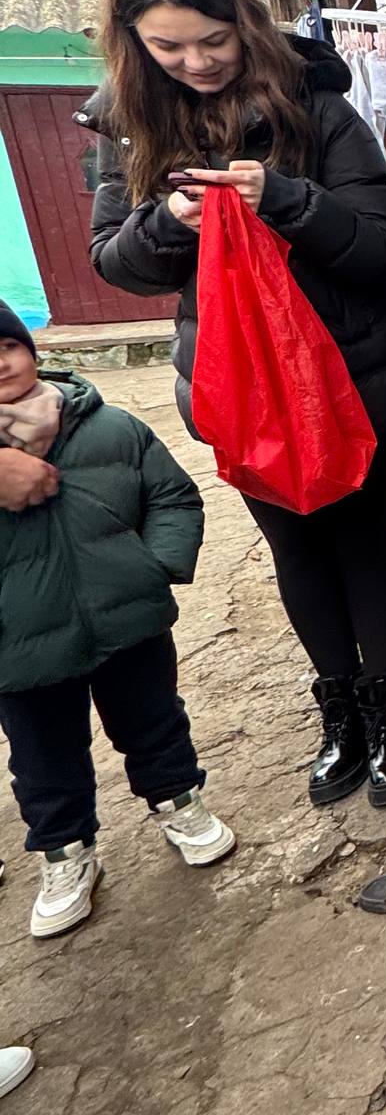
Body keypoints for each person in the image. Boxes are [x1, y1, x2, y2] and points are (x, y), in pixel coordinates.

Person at [86, 0, 386, 810]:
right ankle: (340, 713)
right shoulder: (125, 123)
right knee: (296, 550)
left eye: (212, 40)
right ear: (135, 44)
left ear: (240, 20)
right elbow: (115, 263)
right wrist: (169, 220)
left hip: (353, 372)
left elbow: (381, 244)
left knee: (362, 540)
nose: (196, 62)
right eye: (169, 47)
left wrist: (283, 198)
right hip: (240, 383)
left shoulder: (314, 102)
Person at [0, 299, 232, 940]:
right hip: (21, 647)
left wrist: (152, 568)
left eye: (6, 347)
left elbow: (172, 496)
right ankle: (66, 855)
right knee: (43, 756)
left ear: (33, 350)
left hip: (129, 622)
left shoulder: (111, 427)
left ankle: (179, 804)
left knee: (154, 722)